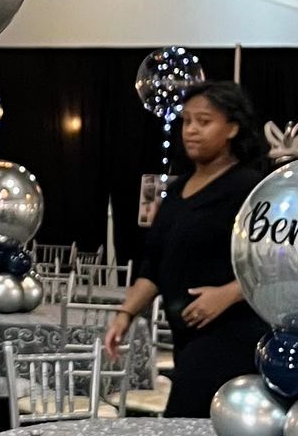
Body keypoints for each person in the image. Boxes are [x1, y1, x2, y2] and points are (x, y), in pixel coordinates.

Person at [102, 81, 268, 418]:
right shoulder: (176, 191)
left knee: (189, 423)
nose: (191, 130)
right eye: (186, 121)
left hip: (232, 333)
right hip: (187, 337)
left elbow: (277, 259)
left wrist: (227, 294)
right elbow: (154, 265)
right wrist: (125, 314)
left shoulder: (250, 188)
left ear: (233, 128)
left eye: (204, 121)